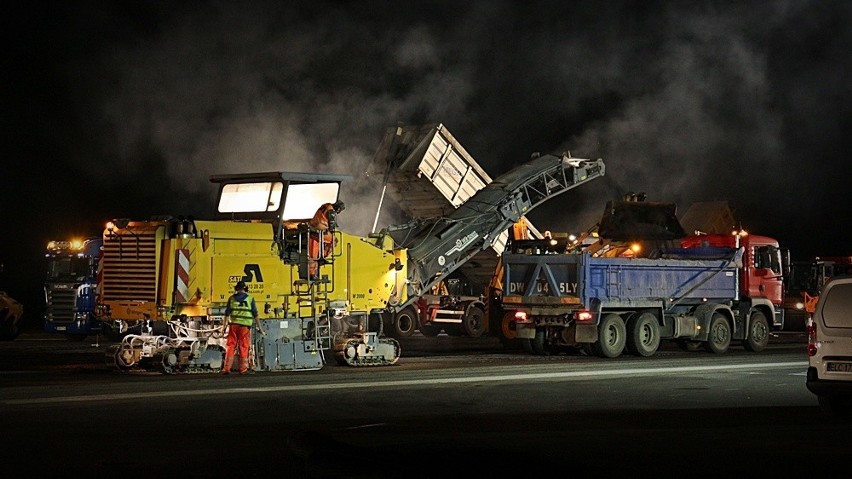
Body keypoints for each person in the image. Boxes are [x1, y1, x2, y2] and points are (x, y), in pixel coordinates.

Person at [221, 280, 262, 374]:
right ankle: (243, 369)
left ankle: (226, 369)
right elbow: (255, 314)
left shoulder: (231, 298)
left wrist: (223, 327)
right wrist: (260, 328)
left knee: (230, 346)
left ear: (237, 289)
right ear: (245, 289)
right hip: (244, 327)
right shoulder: (250, 299)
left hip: (233, 326)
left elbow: (227, 314)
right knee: (243, 346)